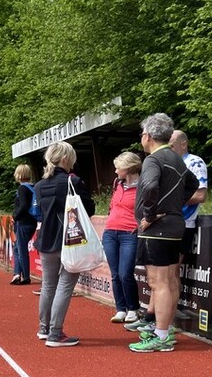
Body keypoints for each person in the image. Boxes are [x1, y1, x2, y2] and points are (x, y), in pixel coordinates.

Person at [129, 113, 198, 352]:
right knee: (168, 281)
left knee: (158, 283)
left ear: (147, 136)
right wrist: (174, 205)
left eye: (142, 134)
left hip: (157, 229)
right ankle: (164, 330)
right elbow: (193, 184)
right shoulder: (178, 159)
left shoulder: (153, 159)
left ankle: (161, 335)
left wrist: (150, 215)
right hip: (174, 225)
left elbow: (149, 186)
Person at [33, 141, 95, 347]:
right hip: (70, 241)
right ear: (66, 159)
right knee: (65, 286)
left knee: (48, 285)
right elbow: (89, 208)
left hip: (45, 240)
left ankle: (44, 328)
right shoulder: (72, 182)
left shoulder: (39, 185)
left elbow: (40, 212)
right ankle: (55, 333)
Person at [168, 129, 207, 320]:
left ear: (184, 144)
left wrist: (173, 202)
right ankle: (166, 311)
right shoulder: (170, 162)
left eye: (173, 144)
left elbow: (201, 195)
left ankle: (170, 312)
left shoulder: (195, 162)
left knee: (172, 268)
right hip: (167, 222)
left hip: (183, 223)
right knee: (166, 269)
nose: (170, 148)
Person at [102, 152, 142, 324]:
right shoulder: (117, 183)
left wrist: (138, 225)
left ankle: (133, 308)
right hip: (111, 232)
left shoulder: (143, 186)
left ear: (128, 168)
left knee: (126, 273)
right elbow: (112, 205)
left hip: (129, 233)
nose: (116, 170)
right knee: (115, 274)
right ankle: (120, 309)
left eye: (118, 167)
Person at [10, 164, 36, 285]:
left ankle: (25, 276)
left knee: (21, 249)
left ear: (19, 175)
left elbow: (24, 205)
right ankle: (16, 274)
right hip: (32, 222)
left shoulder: (22, 188)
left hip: (23, 223)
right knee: (17, 248)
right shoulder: (33, 187)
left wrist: (15, 217)